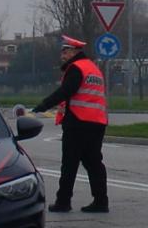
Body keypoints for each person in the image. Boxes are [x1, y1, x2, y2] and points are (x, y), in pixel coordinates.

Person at [35, 35, 109, 213]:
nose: (63, 55)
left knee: (69, 163)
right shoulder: (93, 69)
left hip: (78, 122)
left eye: (66, 51)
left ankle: (63, 201)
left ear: (75, 51)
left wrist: (44, 105)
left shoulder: (76, 68)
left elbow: (65, 91)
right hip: (97, 122)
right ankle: (101, 201)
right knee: (94, 163)